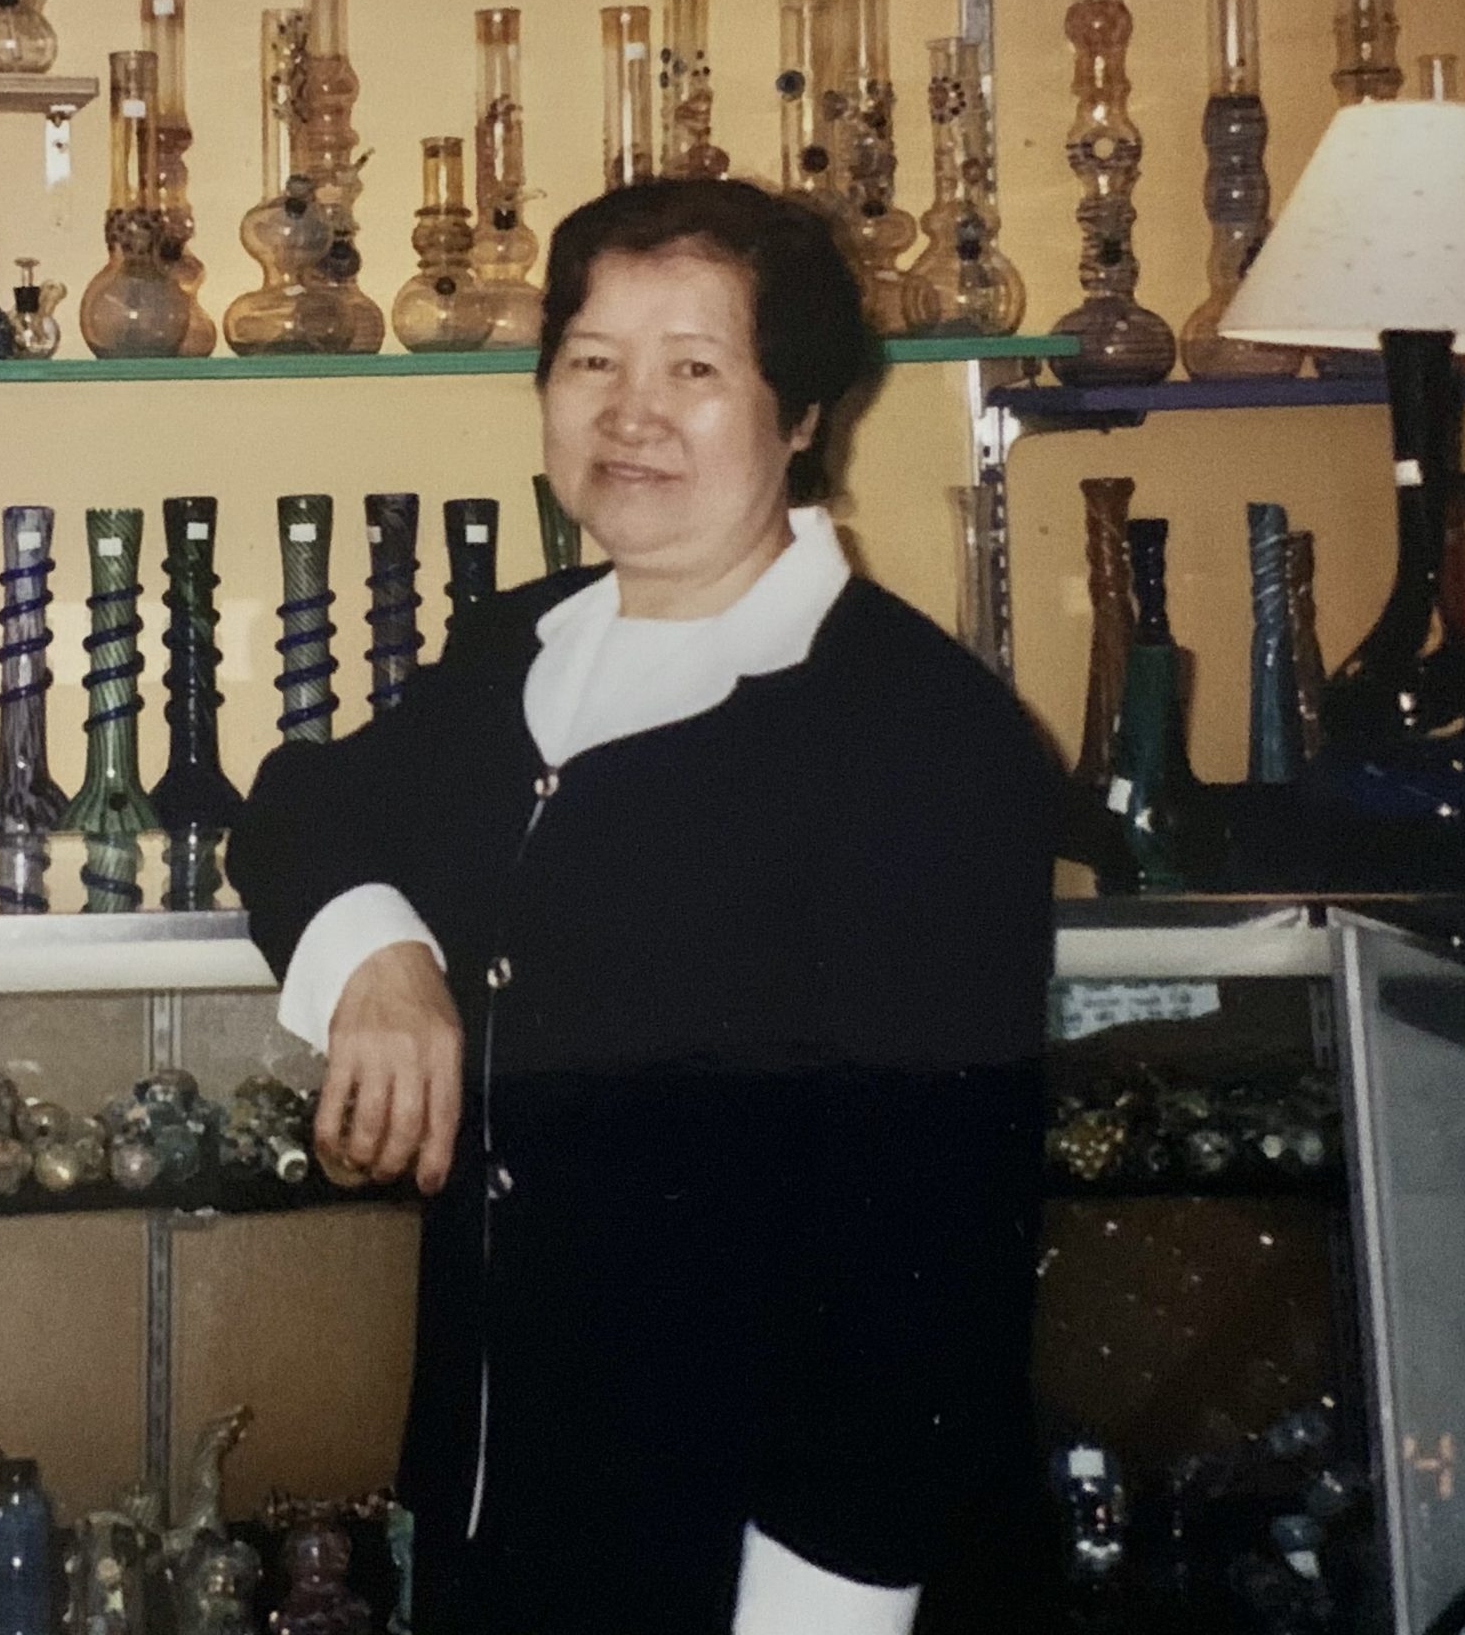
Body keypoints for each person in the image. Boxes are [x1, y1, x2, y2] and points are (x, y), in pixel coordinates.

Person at [228, 180, 1062, 1634]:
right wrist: (381, 960)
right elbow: (306, 804)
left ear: (801, 412)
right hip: (507, 1517)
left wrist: (821, 1610)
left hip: (768, 1564)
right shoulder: (524, 654)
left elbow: (925, 1258)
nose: (630, 413)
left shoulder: (918, 738)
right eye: (591, 361)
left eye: (695, 367)